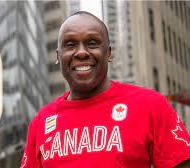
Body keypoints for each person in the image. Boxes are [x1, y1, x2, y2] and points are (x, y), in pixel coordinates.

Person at [20, 11, 190, 168]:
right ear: (58, 56)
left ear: (108, 53)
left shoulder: (150, 105)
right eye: (70, 44)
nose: (81, 53)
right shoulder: (41, 122)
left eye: (92, 43)